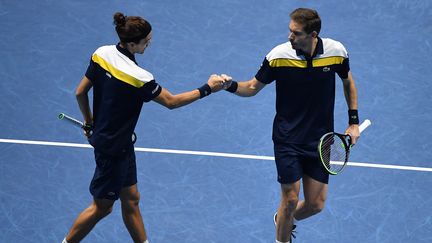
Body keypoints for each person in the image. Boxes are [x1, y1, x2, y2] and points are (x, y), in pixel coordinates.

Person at [62, 12, 226, 243]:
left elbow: (80, 92)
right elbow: (171, 102)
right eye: (146, 41)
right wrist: (208, 88)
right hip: (112, 149)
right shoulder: (139, 77)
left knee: (131, 199)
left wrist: (89, 122)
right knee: (102, 208)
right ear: (131, 43)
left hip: (121, 144)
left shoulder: (101, 54)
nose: (149, 44)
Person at [222, 8, 360, 243]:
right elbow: (252, 88)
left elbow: (348, 82)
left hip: (320, 139)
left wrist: (353, 122)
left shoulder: (337, 52)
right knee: (291, 199)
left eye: (295, 33)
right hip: (288, 139)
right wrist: (230, 85)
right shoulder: (279, 56)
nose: (289, 37)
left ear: (313, 34)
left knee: (315, 205)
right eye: (290, 31)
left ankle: (283, 219)